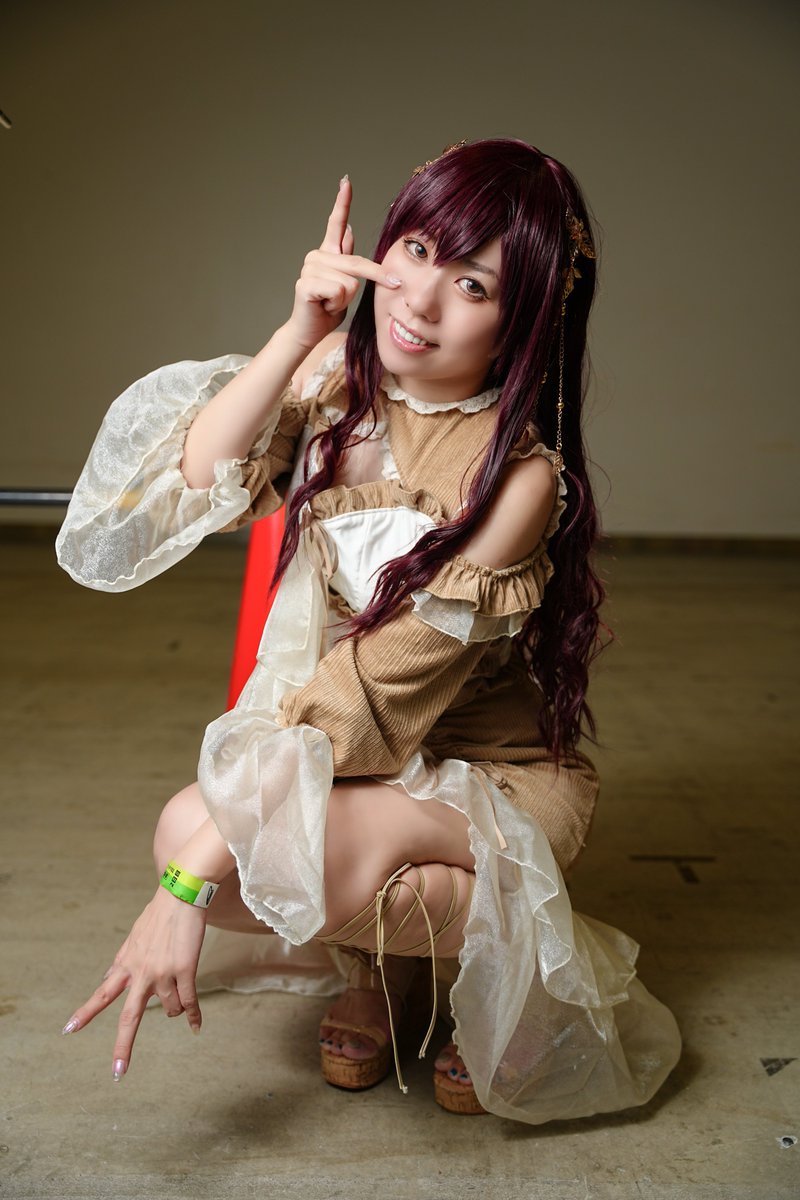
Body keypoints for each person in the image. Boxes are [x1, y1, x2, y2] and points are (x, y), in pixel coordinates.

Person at [56, 138, 681, 1123]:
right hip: (353, 754)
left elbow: (377, 690)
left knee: (217, 848)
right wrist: (298, 330)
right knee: (190, 834)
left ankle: (512, 962)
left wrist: (179, 891)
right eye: (417, 250)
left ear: (521, 320)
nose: (418, 300)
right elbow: (191, 485)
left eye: (471, 284)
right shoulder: (336, 385)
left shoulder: (517, 479)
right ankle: (384, 973)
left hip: (483, 771)